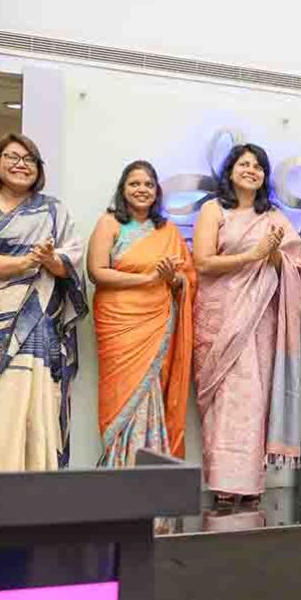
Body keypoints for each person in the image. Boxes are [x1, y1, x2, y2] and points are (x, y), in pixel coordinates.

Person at [0, 133, 87, 472]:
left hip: (38, 325)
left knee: (35, 411)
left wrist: (48, 259)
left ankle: (36, 502)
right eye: (12, 156)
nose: (20, 164)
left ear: (38, 169)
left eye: (29, 159)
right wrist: (24, 263)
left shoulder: (54, 210)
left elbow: (70, 262)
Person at [192, 143, 301, 503]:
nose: (251, 170)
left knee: (253, 396)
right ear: (230, 171)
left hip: (258, 319)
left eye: (258, 166)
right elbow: (202, 262)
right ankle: (225, 484)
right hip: (219, 314)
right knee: (224, 398)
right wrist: (252, 255)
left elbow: (295, 268)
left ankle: (248, 482)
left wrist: (272, 255)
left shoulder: (273, 217)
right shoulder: (213, 210)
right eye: (244, 164)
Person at [87, 161, 195, 466]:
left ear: (157, 191)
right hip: (117, 321)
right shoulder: (110, 224)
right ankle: (118, 471)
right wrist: (147, 280)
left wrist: (171, 279)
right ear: (123, 189)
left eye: (148, 184)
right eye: (134, 184)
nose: (142, 190)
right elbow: (96, 272)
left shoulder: (168, 230)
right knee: (122, 394)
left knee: (152, 392)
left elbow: (186, 280)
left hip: (158, 323)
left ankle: (150, 478)